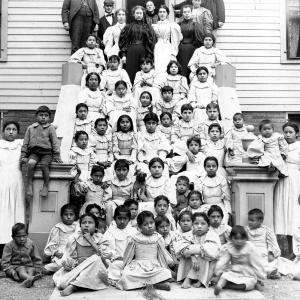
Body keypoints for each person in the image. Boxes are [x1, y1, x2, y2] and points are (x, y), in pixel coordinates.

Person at [53, 213, 110, 297]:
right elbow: (68, 257)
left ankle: (74, 286)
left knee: (96, 258)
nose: (86, 225)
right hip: (78, 269)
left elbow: (104, 260)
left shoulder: (101, 238)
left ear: (96, 227)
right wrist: (69, 264)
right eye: (84, 223)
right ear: (80, 226)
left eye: (90, 223)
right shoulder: (75, 238)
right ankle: (80, 283)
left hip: (96, 271)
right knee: (62, 284)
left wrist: (90, 240)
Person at [116, 211, 174, 291]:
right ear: (139, 226)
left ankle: (141, 284)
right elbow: (128, 255)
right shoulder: (134, 238)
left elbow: (162, 255)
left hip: (154, 266)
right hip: (138, 265)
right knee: (126, 275)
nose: (150, 226)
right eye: (145, 224)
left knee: (166, 272)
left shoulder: (158, 238)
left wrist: (167, 265)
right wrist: (125, 266)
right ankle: (155, 284)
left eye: (151, 223)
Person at [21, 106, 62, 197]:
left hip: (46, 152)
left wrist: (56, 155)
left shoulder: (50, 128)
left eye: (46, 115)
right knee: (31, 163)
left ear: (49, 117)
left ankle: (45, 186)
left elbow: (55, 142)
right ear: (36, 116)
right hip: (34, 152)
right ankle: (29, 184)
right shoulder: (31, 128)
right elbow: (25, 142)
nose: (43, 117)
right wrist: (23, 154)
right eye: (41, 115)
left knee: (44, 165)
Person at [214, 225, 266, 295]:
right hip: (233, 271)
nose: (239, 241)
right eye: (236, 238)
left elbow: (257, 263)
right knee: (224, 276)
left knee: (250, 283)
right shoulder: (229, 247)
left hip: (247, 272)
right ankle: (219, 286)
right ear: (231, 239)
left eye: (242, 239)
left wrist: (260, 278)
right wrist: (218, 271)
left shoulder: (249, 247)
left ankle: (231, 286)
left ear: (246, 238)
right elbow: (223, 261)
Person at [274, 122, 300, 255]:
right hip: (281, 180)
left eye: (291, 132)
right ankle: (280, 250)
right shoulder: (279, 146)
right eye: (285, 132)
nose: (288, 135)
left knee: (293, 214)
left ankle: (293, 250)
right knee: (280, 212)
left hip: (296, 181)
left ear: (297, 134)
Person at [176, 212, 220, 288]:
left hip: (209, 263)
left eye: (203, 224)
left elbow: (213, 251)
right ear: (192, 225)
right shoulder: (189, 235)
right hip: (193, 261)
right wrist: (192, 256)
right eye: (196, 224)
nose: (199, 226)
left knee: (203, 254)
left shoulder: (212, 235)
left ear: (208, 226)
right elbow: (182, 248)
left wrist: (192, 250)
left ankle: (191, 279)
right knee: (186, 254)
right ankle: (191, 277)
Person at [0, 121, 25, 246]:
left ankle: (17, 241)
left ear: (18, 132)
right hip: (2, 180)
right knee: (2, 209)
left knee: (16, 208)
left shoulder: (21, 145)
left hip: (16, 180)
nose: (11, 132)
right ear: (3, 131)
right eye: (8, 129)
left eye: (14, 129)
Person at [119, 5, 156, 83]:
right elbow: (124, 41)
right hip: (131, 51)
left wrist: (149, 55)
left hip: (143, 51)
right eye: (137, 13)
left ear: (143, 14)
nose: (139, 15)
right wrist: (124, 55)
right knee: (130, 71)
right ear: (133, 14)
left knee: (143, 70)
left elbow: (150, 42)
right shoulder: (128, 27)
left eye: (140, 13)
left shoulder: (148, 27)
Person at [1, 223, 43, 288]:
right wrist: (11, 272)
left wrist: (38, 270)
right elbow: (4, 263)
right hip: (16, 268)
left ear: (27, 235)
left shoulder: (31, 244)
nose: (22, 239)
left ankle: (28, 280)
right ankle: (30, 278)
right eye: (18, 236)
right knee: (21, 269)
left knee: (31, 269)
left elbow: (37, 259)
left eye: (24, 236)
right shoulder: (9, 246)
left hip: (29, 266)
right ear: (13, 237)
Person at [104, 205, 137, 285]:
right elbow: (107, 248)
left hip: (130, 260)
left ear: (129, 219)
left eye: (125, 218)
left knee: (135, 267)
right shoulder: (110, 231)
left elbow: (136, 248)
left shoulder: (133, 231)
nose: (122, 221)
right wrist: (115, 256)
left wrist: (129, 258)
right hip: (115, 260)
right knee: (113, 266)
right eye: (119, 218)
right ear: (115, 218)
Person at [245, 209, 282, 279]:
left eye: (252, 220)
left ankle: (270, 272)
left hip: (263, 254)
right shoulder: (246, 230)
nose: (249, 222)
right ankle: (261, 272)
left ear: (260, 221)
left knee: (271, 263)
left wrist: (271, 253)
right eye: (249, 220)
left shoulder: (266, 230)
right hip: (251, 254)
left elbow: (273, 243)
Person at [195, 156, 231, 224]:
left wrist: (228, 211)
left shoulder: (222, 180)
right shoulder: (200, 181)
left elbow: (226, 198)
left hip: (220, 205)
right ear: (205, 167)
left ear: (217, 167)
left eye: (213, 166)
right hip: (205, 206)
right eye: (208, 166)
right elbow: (197, 198)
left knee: (224, 219)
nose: (211, 168)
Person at [44, 204, 78, 273]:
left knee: (76, 261)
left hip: (74, 250)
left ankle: (57, 269)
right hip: (61, 251)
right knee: (61, 261)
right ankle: (59, 268)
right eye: (66, 215)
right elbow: (53, 242)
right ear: (61, 216)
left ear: (75, 216)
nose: (68, 217)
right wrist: (55, 253)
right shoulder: (58, 227)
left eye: (71, 215)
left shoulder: (78, 226)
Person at [152, 5, 182, 74]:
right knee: (158, 66)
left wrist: (173, 52)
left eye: (164, 12)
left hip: (168, 47)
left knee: (167, 65)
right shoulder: (154, 26)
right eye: (160, 12)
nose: (162, 14)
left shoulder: (172, 25)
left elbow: (176, 39)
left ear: (167, 13)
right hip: (158, 47)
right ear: (158, 14)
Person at [177, 5, 202, 79]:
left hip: (192, 49)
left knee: (191, 68)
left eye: (188, 12)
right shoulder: (179, 24)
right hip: (181, 49)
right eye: (185, 12)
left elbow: (198, 38)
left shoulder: (196, 24)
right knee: (182, 67)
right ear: (182, 13)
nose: (187, 14)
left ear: (191, 12)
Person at [106, 159, 134, 224]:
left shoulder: (131, 184)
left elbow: (132, 199)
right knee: (110, 205)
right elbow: (108, 198)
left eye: (124, 170)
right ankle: (110, 226)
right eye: (118, 170)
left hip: (126, 205)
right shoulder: (110, 182)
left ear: (128, 171)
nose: (121, 172)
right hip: (113, 205)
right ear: (115, 171)